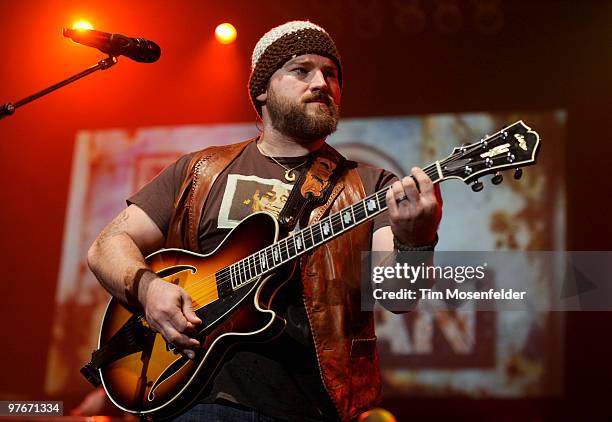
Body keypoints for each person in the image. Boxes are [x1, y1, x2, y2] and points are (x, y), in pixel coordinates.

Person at [87, 20, 442, 422]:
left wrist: (417, 241)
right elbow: (107, 246)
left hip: (306, 407)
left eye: (332, 74)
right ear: (261, 90)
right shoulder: (200, 169)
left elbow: (399, 298)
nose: (322, 83)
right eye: (302, 70)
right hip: (190, 399)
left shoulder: (370, 185)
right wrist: (149, 291)